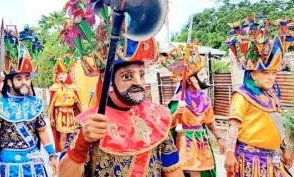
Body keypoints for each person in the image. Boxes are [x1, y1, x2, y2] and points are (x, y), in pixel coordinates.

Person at [57, 2, 183, 174]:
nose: (138, 82)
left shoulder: (157, 117)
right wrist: (81, 145)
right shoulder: (89, 124)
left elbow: (173, 170)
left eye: (142, 74)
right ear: (107, 81)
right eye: (127, 76)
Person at [0, 26, 59, 177]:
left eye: (27, 78)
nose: (24, 82)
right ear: (9, 82)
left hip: (34, 162)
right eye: (19, 78)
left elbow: (42, 131)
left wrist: (52, 155)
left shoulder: (35, 103)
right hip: (9, 164)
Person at [224, 16, 293, 177]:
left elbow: (277, 125)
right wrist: (229, 153)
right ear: (253, 74)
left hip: (273, 159)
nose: (271, 77)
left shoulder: (271, 96)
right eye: (265, 72)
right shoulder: (242, 95)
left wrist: (285, 150)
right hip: (251, 160)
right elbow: (233, 126)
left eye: (274, 72)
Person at [161, 44, 225, 177]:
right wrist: (177, 111)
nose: (205, 78)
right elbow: (169, 125)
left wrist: (219, 138)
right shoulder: (179, 99)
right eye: (201, 75)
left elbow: (210, 122)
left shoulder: (205, 99)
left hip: (202, 141)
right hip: (186, 141)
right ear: (190, 79)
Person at [49, 55, 82, 152]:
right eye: (59, 74)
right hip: (60, 114)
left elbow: (77, 104)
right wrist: (51, 118)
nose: (60, 76)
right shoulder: (54, 88)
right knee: (62, 135)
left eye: (63, 74)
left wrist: (81, 116)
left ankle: (70, 153)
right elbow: (51, 105)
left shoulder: (73, 87)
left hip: (70, 115)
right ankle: (62, 153)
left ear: (67, 74)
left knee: (71, 135)